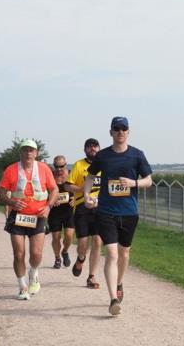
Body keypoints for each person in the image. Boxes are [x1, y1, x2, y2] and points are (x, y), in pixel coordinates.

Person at [82, 117, 153, 316]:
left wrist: (134, 183)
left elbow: (149, 180)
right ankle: (113, 298)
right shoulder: (103, 156)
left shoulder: (137, 155)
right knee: (112, 254)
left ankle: (119, 282)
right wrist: (87, 194)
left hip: (129, 211)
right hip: (106, 211)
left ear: (128, 132)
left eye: (124, 129)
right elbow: (90, 176)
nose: (120, 132)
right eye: (117, 128)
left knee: (124, 254)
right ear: (111, 132)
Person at [0, 140, 58, 300]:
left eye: (31, 150)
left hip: (38, 216)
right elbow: (0, 192)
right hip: (17, 216)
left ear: (36, 153)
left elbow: (54, 189)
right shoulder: (11, 170)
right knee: (19, 253)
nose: (28, 153)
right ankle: (22, 286)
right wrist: (10, 202)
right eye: (25, 150)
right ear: (20, 153)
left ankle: (34, 271)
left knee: (36, 253)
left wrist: (49, 207)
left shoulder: (44, 169)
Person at [66, 138, 103, 289]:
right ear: (85, 149)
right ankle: (81, 258)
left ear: (99, 149)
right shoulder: (79, 165)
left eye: (95, 146)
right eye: (89, 147)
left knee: (97, 241)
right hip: (82, 207)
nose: (92, 149)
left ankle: (91, 276)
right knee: (83, 243)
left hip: (100, 208)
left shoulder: (105, 165)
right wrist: (84, 189)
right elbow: (68, 186)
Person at [48, 155, 75, 269]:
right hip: (55, 212)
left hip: (69, 210)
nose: (59, 169)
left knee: (69, 236)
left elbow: (81, 188)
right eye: (56, 166)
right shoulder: (50, 176)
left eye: (61, 166)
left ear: (66, 164)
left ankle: (65, 251)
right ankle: (57, 258)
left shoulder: (71, 175)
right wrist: (51, 199)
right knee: (56, 238)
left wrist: (75, 199)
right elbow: (43, 191)